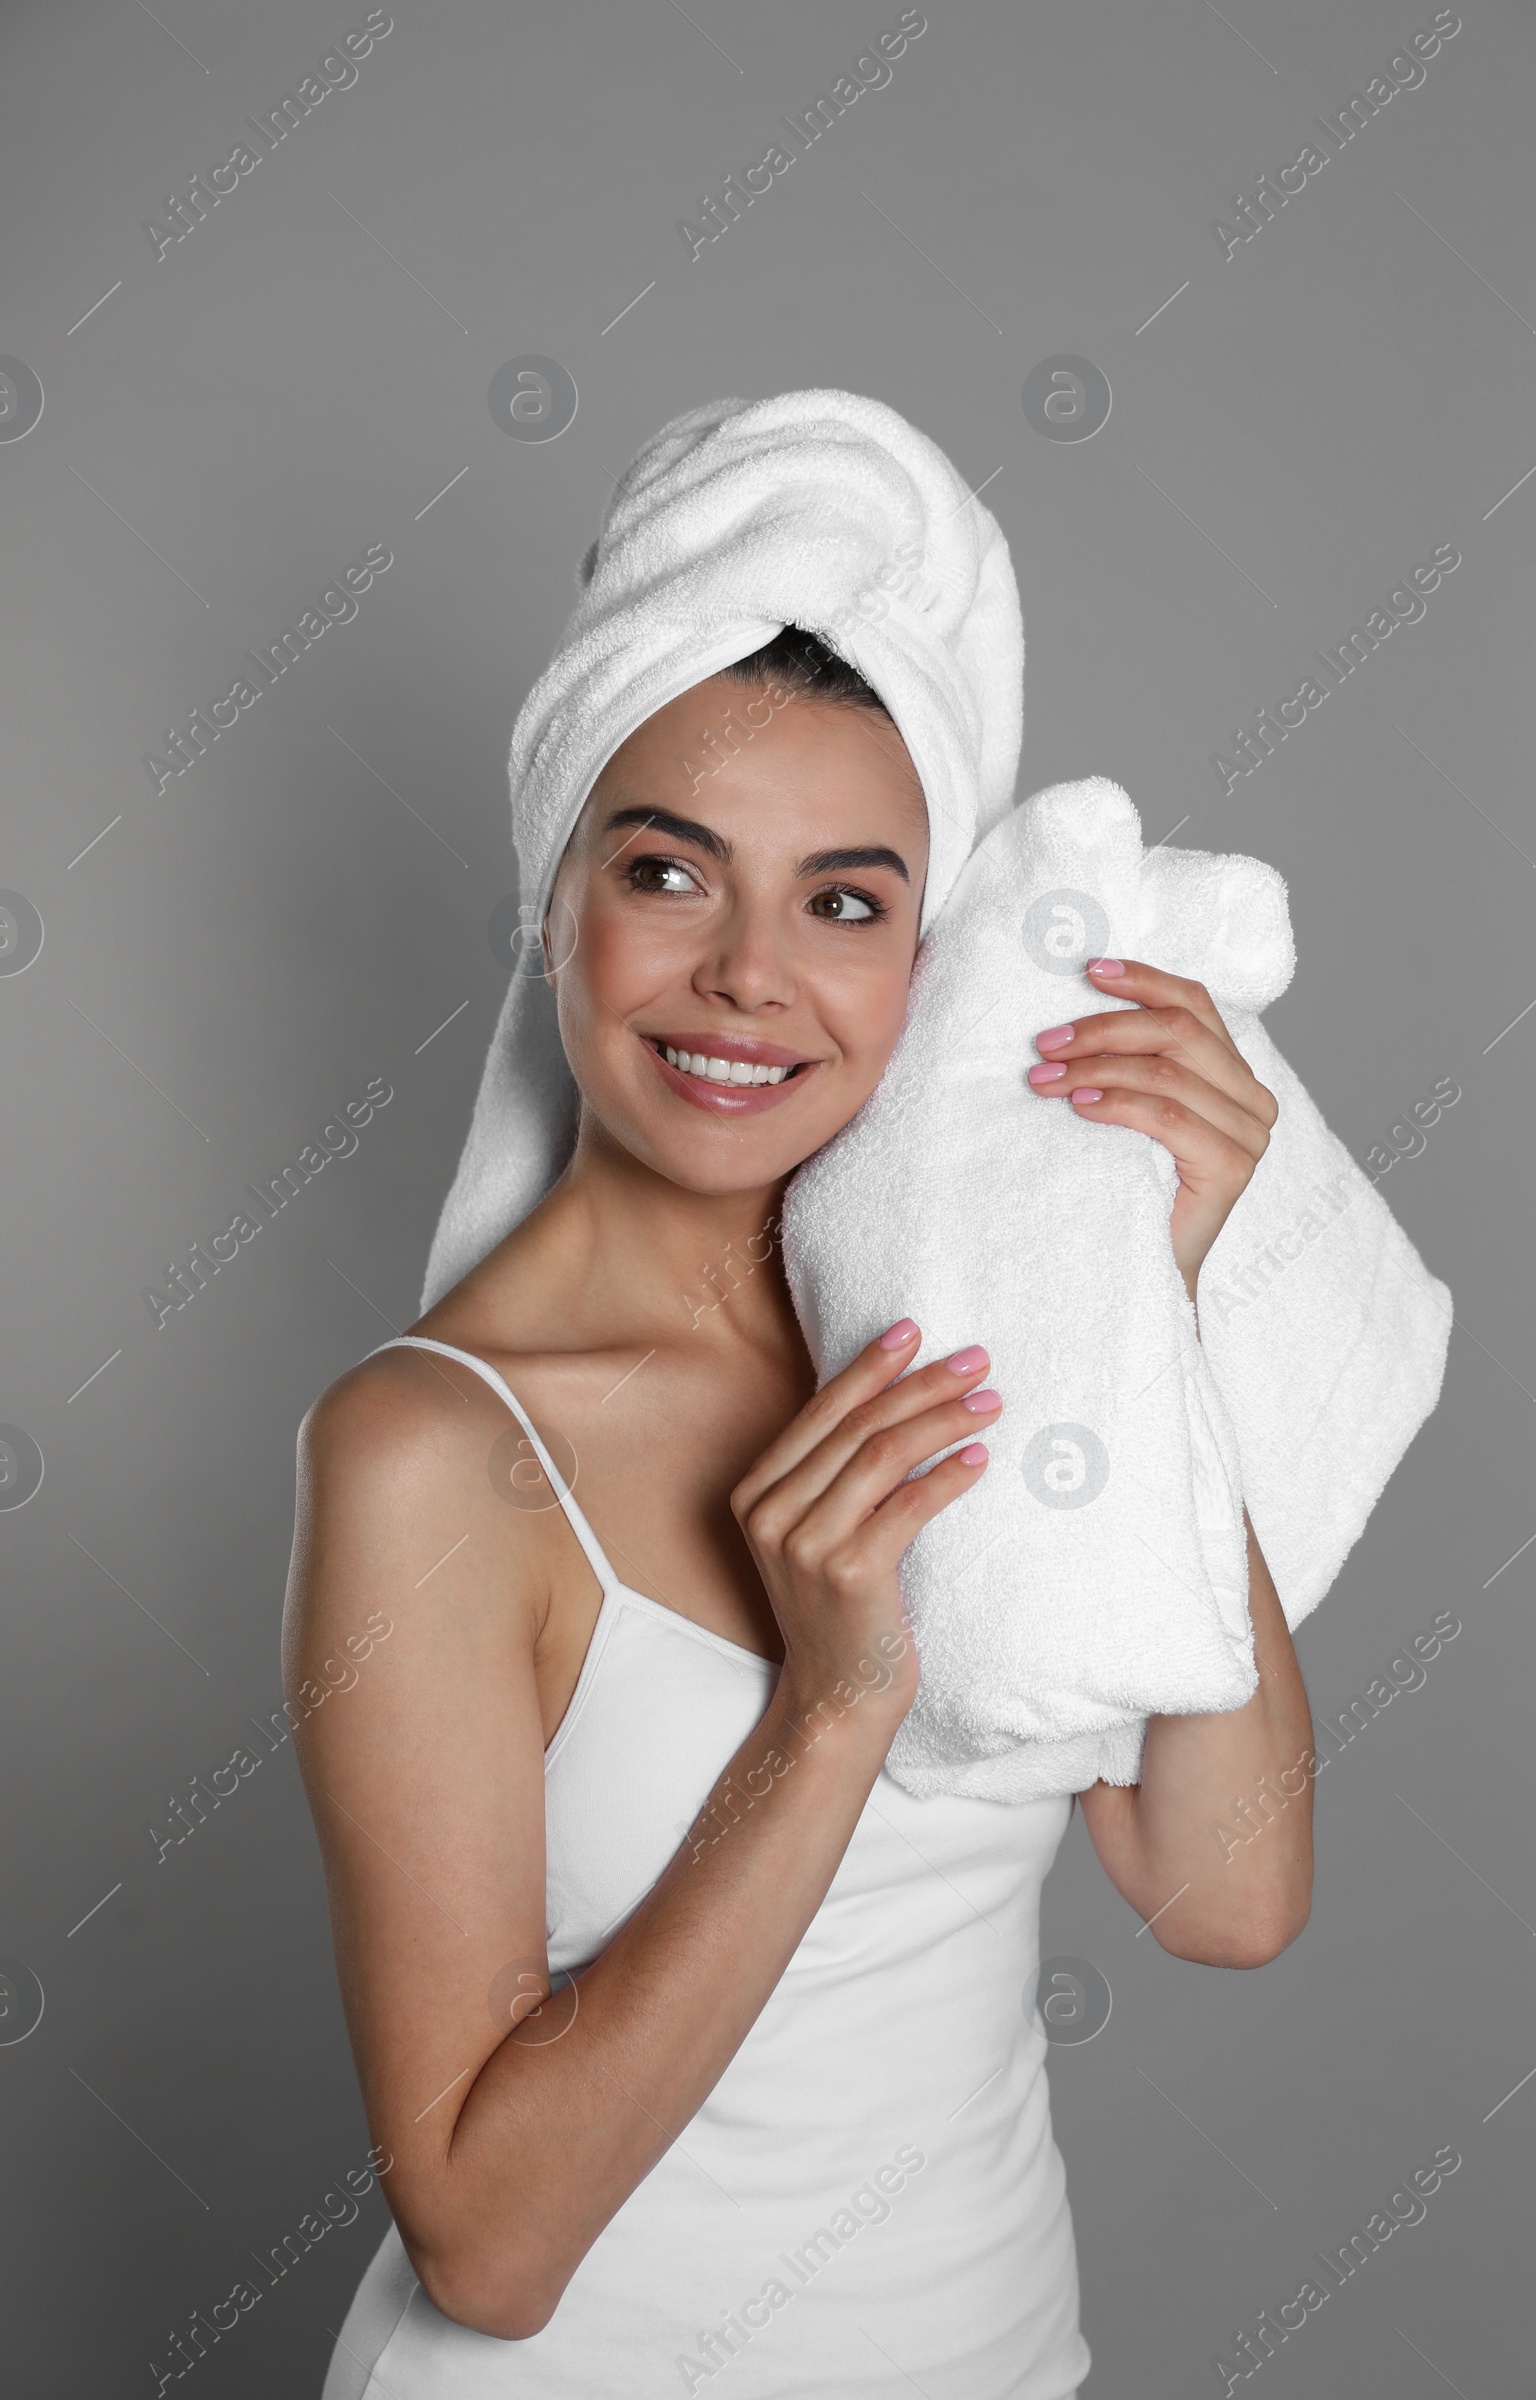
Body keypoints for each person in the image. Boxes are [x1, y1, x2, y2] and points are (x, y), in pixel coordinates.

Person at [286, 617, 1313, 2399]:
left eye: (843, 903)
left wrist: (1151, 1312)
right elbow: (489, 2245)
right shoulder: (429, 1451)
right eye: (673, 872)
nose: (752, 974)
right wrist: (832, 1711)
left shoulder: (961, 1351)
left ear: (927, 955)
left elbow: (1226, 1889)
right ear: (557, 905)